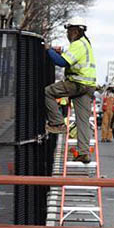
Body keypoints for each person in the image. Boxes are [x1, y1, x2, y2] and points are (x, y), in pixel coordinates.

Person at [44, 17, 96, 163]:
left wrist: (49, 50)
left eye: (69, 30)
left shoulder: (78, 44)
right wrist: (58, 52)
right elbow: (67, 59)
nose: (67, 34)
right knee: (83, 121)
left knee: (48, 91)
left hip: (78, 83)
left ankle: (57, 123)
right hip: (87, 86)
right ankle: (84, 153)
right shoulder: (85, 44)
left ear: (75, 31)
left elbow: (62, 62)